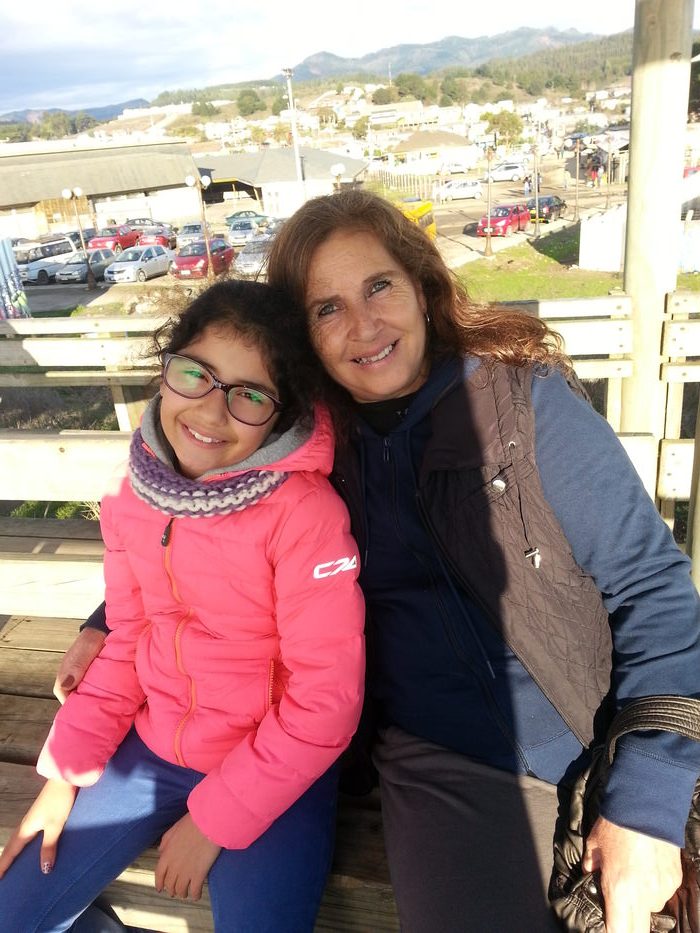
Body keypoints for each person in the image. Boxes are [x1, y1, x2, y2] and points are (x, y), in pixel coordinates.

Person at [53, 190, 700, 933]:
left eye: (379, 286)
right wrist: (106, 620)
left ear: (423, 287)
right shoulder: (306, 449)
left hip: (599, 721)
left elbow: (654, 590)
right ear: (304, 338)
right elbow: (197, 531)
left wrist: (646, 801)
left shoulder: (525, 409)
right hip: (444, 761)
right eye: (327, 309)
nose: (363, 326)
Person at [0, 280, 365, 932]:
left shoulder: (305, 516)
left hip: (276, 769)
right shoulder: (134, 492)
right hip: (155, 747)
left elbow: (325, 700)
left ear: (281, 415)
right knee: (15, 908)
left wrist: (213, 820)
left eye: (249, 395)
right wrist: (65, 775)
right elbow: (127, 637)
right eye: (196, 373)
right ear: (166, 370)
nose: (211, 411)